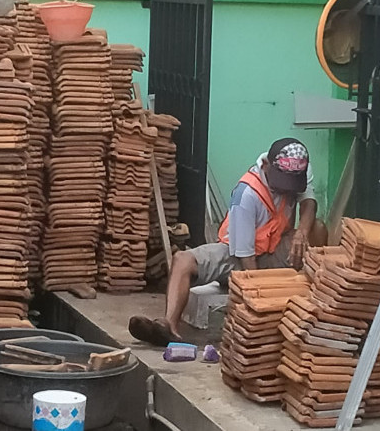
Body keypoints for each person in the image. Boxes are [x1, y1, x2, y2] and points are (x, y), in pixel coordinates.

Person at [129, 137, 327, 346]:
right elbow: (246, 259)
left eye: (292, 184)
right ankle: (168, 325)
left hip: (277, 248)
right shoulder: (246, 194)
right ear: (266, 166)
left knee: (318, 228)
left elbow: (308, 203)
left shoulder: (298, 167)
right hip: (238, 256)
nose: (288, 189)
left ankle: (315, 298)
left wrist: (302, 232)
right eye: (283, 184)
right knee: (182, 259)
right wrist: (263, 301)